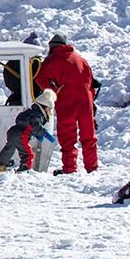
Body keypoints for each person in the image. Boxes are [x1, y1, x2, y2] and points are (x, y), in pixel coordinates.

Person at [34, 34, 98, 174]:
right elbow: (90, 82)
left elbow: (40, 79)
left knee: (67, 136)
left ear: (52, 47)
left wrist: (53, 91)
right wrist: (91, 102)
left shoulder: (51, 60)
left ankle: (70, 168)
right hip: (85, 100)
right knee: (88, 135)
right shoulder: (80, 59)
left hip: (66, 100)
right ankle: (92, 167)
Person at [0, 90, 57, 171]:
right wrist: (44, 134)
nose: (49, 112)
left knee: (9, 148)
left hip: (12, 131)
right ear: (45, 107)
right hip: (21, 135)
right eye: (49, 109)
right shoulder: (38, 115)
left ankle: (2, 163)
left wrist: (35, 133)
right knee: (27, 154)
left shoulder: (29, 111)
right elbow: (36, 127)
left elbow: (28, 124)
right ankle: (24, 168)